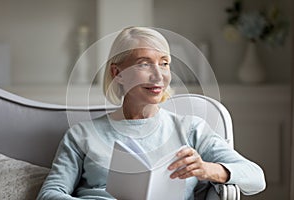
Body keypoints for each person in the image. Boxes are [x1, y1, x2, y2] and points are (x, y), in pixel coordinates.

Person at [37, 26, 266, 200]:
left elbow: (256, 177)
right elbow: (50, 194)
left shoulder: (190, 129)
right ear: (118, 73)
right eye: (144, 64)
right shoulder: (82, 135)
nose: (159, 76)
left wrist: (207, 169)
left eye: (164, 63)